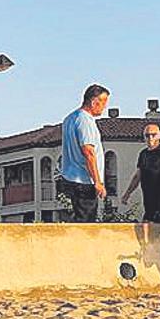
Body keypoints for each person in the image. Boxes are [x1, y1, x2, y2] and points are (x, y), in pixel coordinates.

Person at [59, 84, 109, 222]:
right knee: (87, 223)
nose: (105, 107)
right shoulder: (85, 121)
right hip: (85, 181)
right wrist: (98, 182)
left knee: (78, 218)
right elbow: (88, 152)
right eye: (103, 102)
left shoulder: (69, 119)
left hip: (71, 178)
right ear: (94, 102)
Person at [122, 124, 160, 223]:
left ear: (159, 136)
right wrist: (127, 194)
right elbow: (137, 176)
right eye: (147, 135)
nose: (150, 138)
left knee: (159, 216)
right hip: (147, 192)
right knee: (148, 216)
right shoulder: (143, 154)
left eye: (153, 135)